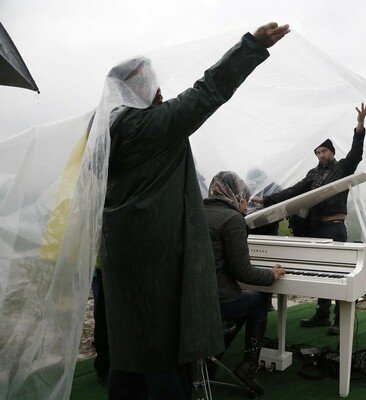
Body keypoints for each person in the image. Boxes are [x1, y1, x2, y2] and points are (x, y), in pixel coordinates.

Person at [100, 23, 289, 400]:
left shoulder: (105, 134)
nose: (159, 88)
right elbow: (209, 91)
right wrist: (250, 47)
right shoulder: (150, 126)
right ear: (134, 88)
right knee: (164, 347)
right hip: (158, 256)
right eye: (150, 81)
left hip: (119, 257)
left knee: (128, 343)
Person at [251, 102, 366, 335]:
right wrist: (266, 200)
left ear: (332, 152)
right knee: (323, 272)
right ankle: (322, 314)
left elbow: (357, 151)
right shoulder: (312, 174)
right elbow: (293, 191)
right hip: (315, 228)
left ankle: (339, 319)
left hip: (335, 227)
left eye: (324, 151)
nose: (320, 155)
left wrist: (360, 125)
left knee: (338, 272)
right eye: (317, 152)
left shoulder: (344, 167)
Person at [203, 171, 285, 395]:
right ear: (235, 195)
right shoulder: (232, 219)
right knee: (258, 299)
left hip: (193, 296)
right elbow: (242, 272)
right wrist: (271, 275)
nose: (245, 207)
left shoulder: (196, 211)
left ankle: (213, 359)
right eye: (244, 200)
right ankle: (249, 365)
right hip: (218, 299)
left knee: (244, 301)